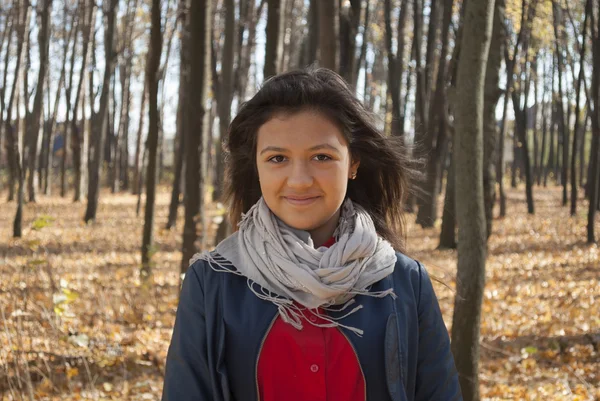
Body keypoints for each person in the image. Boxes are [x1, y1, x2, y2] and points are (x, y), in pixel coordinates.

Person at [161, 68, 462, 401]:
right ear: (257, 166)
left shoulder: (405, 282)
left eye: (322, 157)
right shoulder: (212, 283)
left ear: (353, 163)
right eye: (277, 158)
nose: (300, 179)